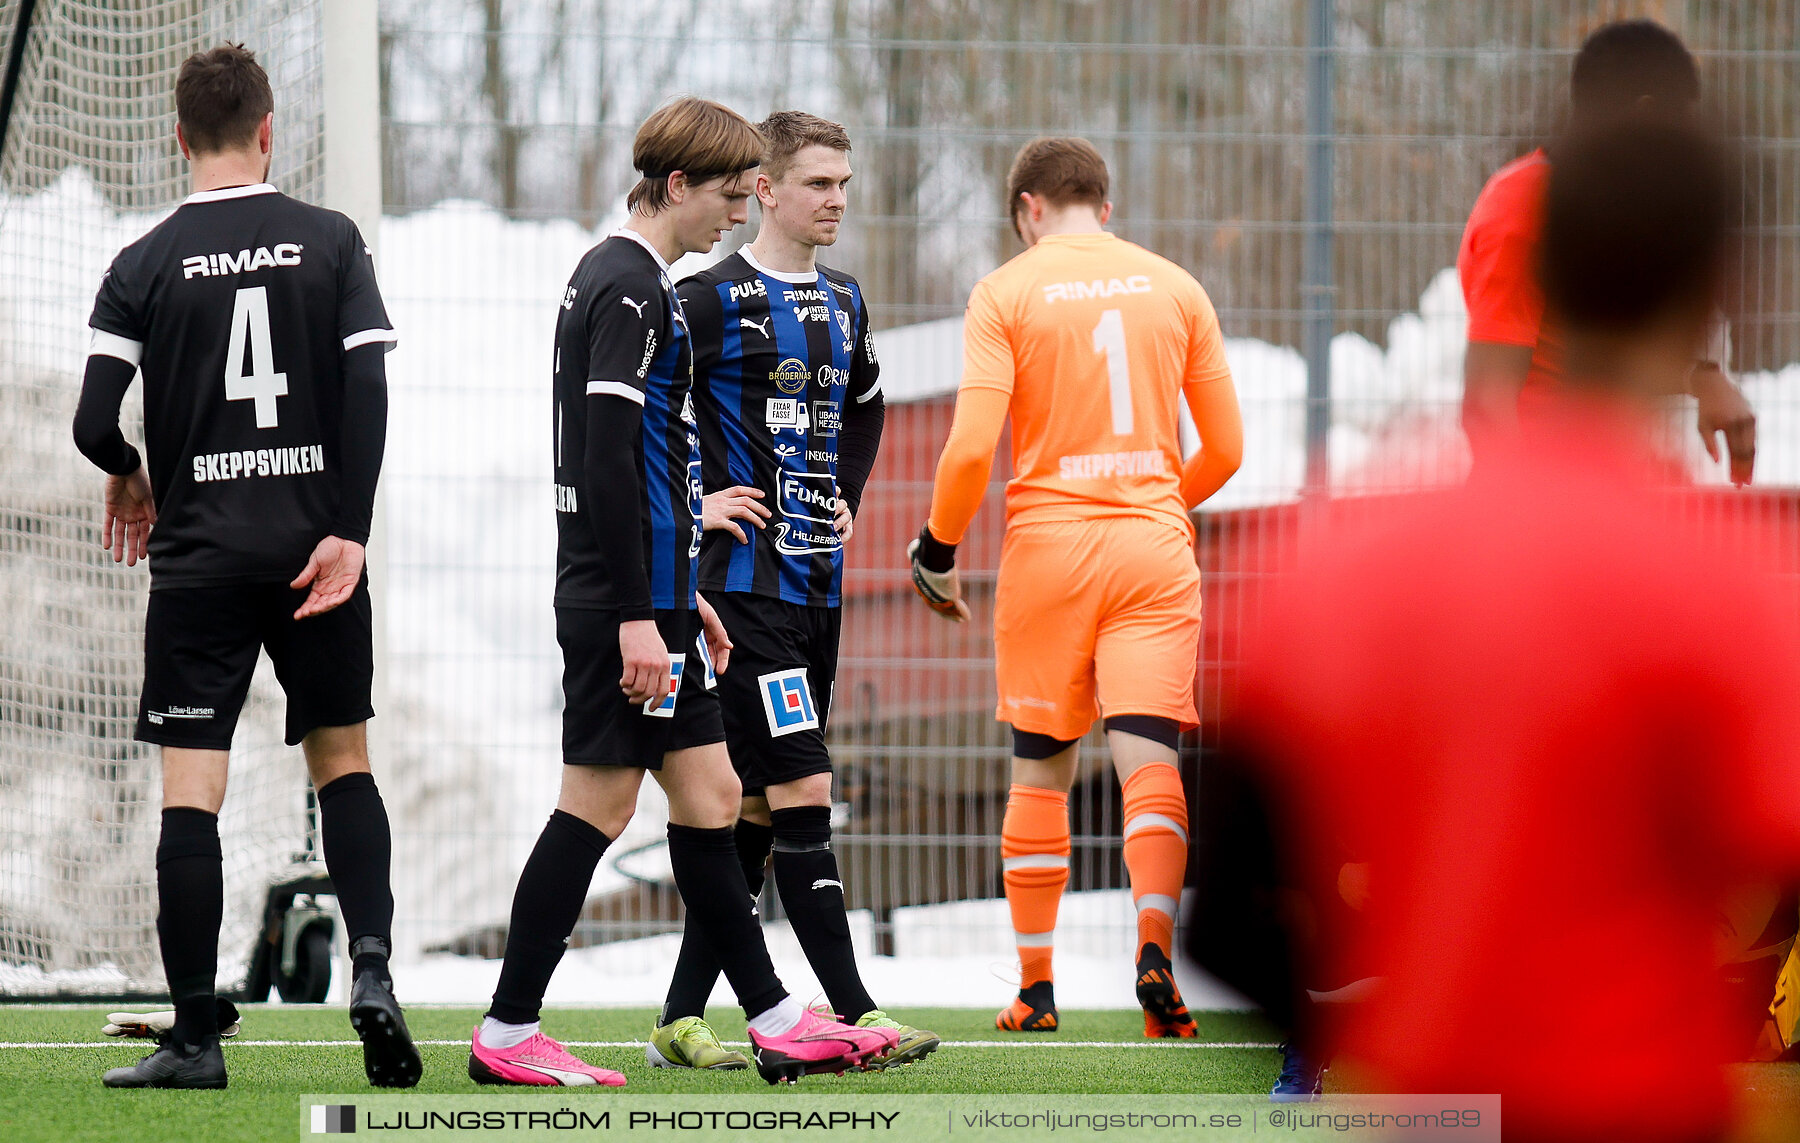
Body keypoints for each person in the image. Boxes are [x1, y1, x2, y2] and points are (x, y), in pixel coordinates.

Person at [1223, 118, 1800, 1143]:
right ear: (1719, 290)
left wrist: (1384, 1046)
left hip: (1431, 1112)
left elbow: (1227, 914)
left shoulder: (1340, 572)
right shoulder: (1727, 596)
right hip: (1644, 1108)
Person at [467, 98, 895, 1089]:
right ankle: (507, 1029)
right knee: (594, 810)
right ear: (673, 187)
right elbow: (606, 462)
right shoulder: (625, 285)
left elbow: (653, 464)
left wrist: (676, 588)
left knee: (711, 796)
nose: (737, 219)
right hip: (621, 606)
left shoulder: (635, 283)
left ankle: (779, 1017)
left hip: (660, 600)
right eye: (728, 197)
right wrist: (632, 611)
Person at [74, 44, 418, 1090]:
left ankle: (193, 1038)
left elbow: (94, 421)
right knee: (343, 762)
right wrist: (348, 530)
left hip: (200, 563)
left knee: (195, 796)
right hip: (318, 554)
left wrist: (131, 472)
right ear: (270, 130)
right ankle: (371, 972)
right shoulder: (330, 241)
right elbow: (368, 393)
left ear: (182, 138)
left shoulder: (141, 260)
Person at [907, 137, 1244, 1037]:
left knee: (1042, 768)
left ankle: (1036, 986)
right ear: (1105, 204)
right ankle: (1154, 943)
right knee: (1150, 761)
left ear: (1027, 210)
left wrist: (936, 552)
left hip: (1048, 550)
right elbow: (1229, 448)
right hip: (1151, 546)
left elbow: (973, 448)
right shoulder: (1173, 286)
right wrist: (1156, 500)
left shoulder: (1007, 291)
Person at [651, 110, 939, 1071]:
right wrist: (698, 502)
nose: (838, 201)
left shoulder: (847, 300)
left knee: (755, 814)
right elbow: (644, 421)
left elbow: (867, 405)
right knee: (804, 785)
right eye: (819, 183)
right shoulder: (703, 298)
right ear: (763, 190)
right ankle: (852, 1010)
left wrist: (850, 495)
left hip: (821, 589)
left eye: (846, 184)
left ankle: (680, 1018)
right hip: (740, 594)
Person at [1460, 18, 1755, 482]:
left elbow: (1608, 353)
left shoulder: (1598, 207)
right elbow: (1486, 408)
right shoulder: (1523, 207)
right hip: (1543, 499)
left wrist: (1705, 377)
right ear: (1645, 114)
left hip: (1600, 485)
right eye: (1681, 124)